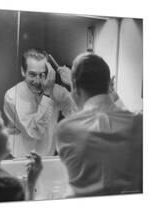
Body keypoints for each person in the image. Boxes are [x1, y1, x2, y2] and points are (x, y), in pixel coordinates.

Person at [56, 52, 142, 197]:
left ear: (75, 87)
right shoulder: (139, 124)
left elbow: (83, 125)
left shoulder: (66, 130)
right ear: (109, 84)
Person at [4, 48, 77, 157]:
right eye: (32, 75)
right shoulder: (12, 95)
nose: (38, 81)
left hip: (48, 159)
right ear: (23, 71)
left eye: (42, 75)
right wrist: (47, 94)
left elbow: (79, 117)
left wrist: (74, 84)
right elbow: (34, 132)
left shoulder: (57, 91)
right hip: (20, 161)